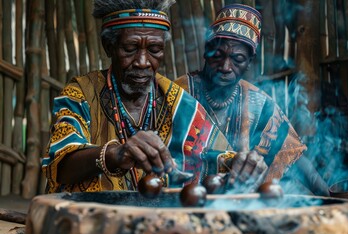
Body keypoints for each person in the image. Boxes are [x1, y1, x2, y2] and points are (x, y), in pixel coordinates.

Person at [42, 0, 268, 193]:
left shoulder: (176, 101)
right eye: (130, 48)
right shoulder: (81, 93)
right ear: (109, 46)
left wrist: (239, 162)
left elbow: (211, 155)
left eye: (154, 50)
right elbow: (60, 164)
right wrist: (115, 153)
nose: (142, 62)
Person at [175, 4, 329, 195]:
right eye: (218, 55)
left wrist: (331, 198)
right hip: (181, 202)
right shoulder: (178, 93)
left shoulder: (258, 103)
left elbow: (291, 154)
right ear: (206, 52)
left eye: (237, 59)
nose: (225, 66)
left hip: (239, 204)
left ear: (249, 62)